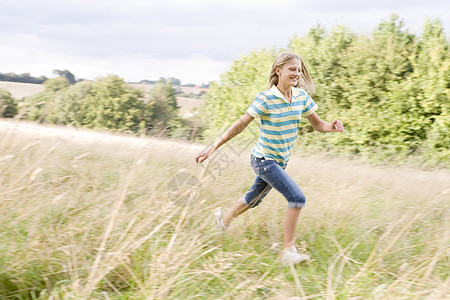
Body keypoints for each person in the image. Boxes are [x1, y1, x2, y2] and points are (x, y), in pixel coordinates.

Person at [194, 52, 344, 266]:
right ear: (278, 71)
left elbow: (319, 125)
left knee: (254, 198)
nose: (297, 73)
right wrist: (213, 147)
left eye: (299, 70)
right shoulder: (266, 98)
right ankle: (288, 252)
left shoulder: (302, 98)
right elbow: (239, 125)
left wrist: (332, 126)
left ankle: (224, 218)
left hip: (279, 162)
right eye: (292, 69)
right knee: (297, 198)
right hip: (263, 159)